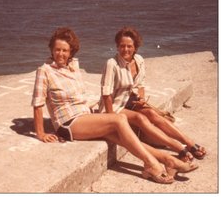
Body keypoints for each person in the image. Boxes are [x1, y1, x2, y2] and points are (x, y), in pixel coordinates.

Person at [31, 27, 198, 184]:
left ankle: (169, 161)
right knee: (118, 120)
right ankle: (150, 165)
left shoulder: (73, 66)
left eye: (65, 50)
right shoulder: (44, 70)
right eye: (57, 49)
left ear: (71, 52)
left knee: (123, 138)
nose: (60, 53)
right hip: (68, 123)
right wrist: (40, 133)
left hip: (85, 117)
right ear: (51, 50)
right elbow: (38, 103)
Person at [100, 26, 206, 162]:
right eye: (122, 46)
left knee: (152, 114)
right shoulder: (112, 64)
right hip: (114, 105)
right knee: (141, 118)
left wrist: (142, 99)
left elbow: (141, 84)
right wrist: (111, 119)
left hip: (129, 100)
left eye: (129, 46)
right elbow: (106, 94)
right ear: (117, 47)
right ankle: (178, 147)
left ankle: (189, 142)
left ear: (135, 47)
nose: (125, 49)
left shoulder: (139, 60)